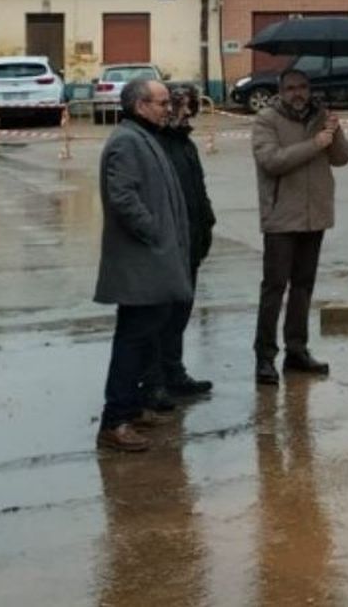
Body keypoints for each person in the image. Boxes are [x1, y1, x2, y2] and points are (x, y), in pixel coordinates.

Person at [94, 78, 192, 452]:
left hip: (152, 258)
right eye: (162, 102)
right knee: (132, 340)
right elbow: (123, 196)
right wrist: (155, 233)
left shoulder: (144, 137)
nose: (168, 107)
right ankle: (115, 420)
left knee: (145, 334)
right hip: (141, 260)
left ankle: (131, 407)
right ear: (140, 106)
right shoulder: (126, 141)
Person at [251, 66, 348, 385]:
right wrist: (315, 144)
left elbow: (343, 157)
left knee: (304, 287)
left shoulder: (320, 115)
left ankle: (297, 350)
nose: (298, 93)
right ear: (281, 91)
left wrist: (334, 132)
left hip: (315, 215)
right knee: (274, 288)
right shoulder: (266, 119)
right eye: (292, 87)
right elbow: (272, 161)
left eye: (303, 87)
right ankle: (265, 357)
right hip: (282, 217)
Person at [152, 83, 216, 399]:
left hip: (192, 239)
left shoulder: (185, 144)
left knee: (181, 311)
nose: (184, 112)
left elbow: (198, 188)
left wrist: (207, 223)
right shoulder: (154, 143)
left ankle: (174, 373)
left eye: (190, 107)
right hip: (167, 244)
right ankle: (155, 381)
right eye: (178, 106)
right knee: (162, 315)